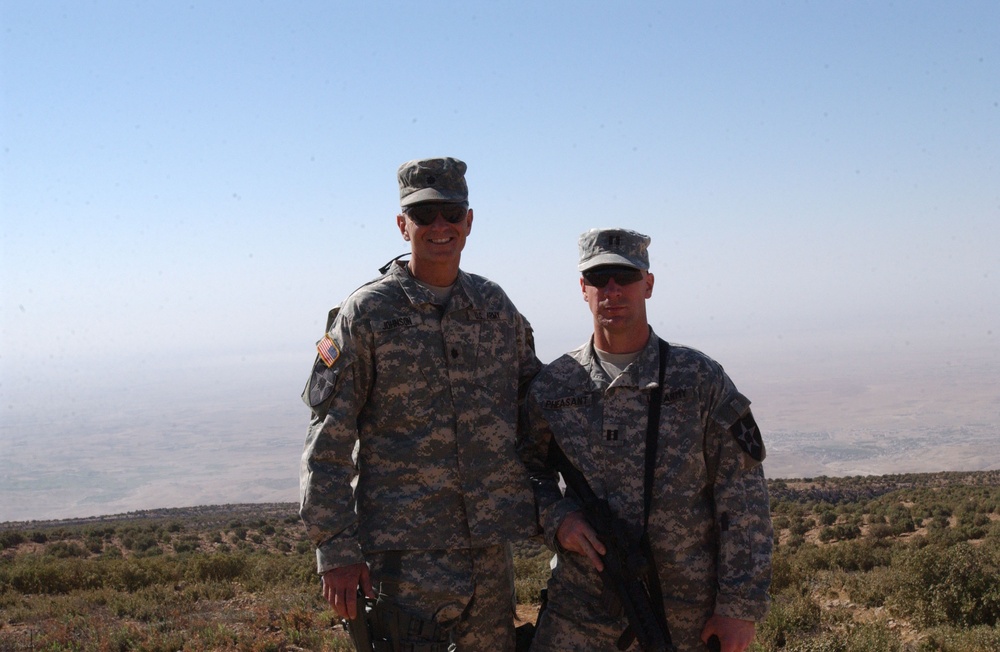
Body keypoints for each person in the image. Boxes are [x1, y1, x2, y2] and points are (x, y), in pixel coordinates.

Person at [299, 157, 542, 651]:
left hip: (490, 560)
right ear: (401, 224)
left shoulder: (495, 309)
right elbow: (328, 440)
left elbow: (538, 410)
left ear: (468, 221)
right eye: (424, 213)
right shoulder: (367, 313)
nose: (439, 226)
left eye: (450, 212)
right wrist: (336, 548)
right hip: (404, 564)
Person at [518, 228, 772, 652]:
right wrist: (557, 516)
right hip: (580, 617)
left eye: (625, 277)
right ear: (583, 289)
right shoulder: (554, 388)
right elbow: (523, 471)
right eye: (599, 279)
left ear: (648, 284)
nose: (612, 290)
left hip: (681, 619)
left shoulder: (697, 380)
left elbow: (742, 497)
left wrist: (739, 608)